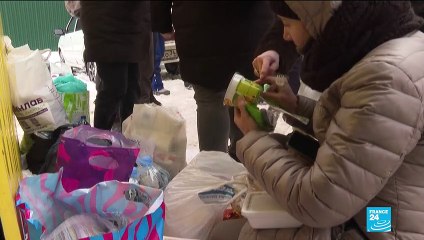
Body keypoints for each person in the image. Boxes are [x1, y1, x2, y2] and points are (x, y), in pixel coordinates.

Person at [210, 1, 424, 239]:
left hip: (381, 225)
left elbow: (318, 202)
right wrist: (296, 106)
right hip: (372, 206)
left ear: (317, 20)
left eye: (288, 24)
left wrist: (253, 139)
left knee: (233, 233)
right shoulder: (389, 49)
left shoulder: (385, 78)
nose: (285, 35)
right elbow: (359, 133)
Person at [151, 1, 274, 159]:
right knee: (243, 94)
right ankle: (244, 162)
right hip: (250, 22)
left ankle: (213, 170)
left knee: (210, 98)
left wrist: (162, 22)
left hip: (199, 22)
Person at [80, 1, 155, 130]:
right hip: (108, 26)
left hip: (131, 26)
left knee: (132, 91)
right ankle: (99, 138)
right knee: (115, 88)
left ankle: (129, 140)